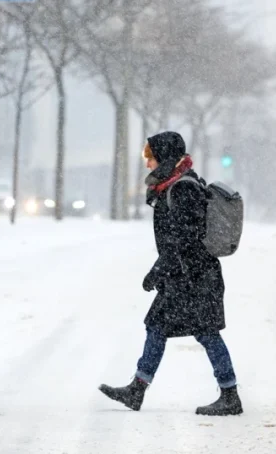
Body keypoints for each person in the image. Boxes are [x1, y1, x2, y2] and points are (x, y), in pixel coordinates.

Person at [99, 131, 242, 416]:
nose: (148, 163)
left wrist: (158, 270)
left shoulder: (183, 188)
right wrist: (164, 270)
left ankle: (230, 395)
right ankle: (137, 389)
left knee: (207, 333)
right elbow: (178, 241)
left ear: (164, 157)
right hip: (185, 276)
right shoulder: (173, 185)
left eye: (150, 157)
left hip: (197, 277)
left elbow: (184, 240)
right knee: (158, 326)